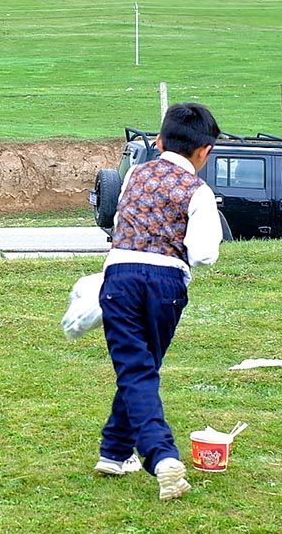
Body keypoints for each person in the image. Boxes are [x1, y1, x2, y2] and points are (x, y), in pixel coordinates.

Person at [94, 103, 222, 501]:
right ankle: (160, 455)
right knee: (142, 369)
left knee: (138, 368)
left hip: (120, 275)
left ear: (158, 141)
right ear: (205, 152)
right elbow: (203, 253)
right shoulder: (198, 191)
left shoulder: (135, 173)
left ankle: (114, 452)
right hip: (165, 282)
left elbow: (118, 220)